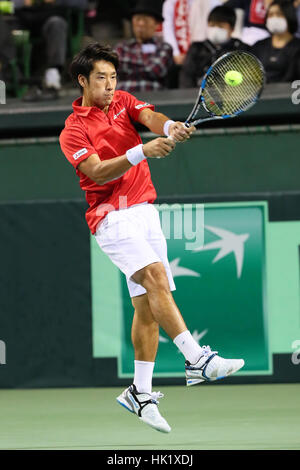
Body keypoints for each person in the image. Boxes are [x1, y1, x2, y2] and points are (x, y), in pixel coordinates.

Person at [59, 42, 244, 433]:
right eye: (101, 79)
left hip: (145, 212)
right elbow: (96, 172)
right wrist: (141, 152)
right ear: (82, 81)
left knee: (147, 307)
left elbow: (150, 115)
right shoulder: (73, 130)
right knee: (158, 277)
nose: (109, 85)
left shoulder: (124, 100)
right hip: (110, 216)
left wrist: (170, 126)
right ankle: (197, 359)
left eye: (113, 77)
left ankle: (139, 394)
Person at [180, 5, 250, 88]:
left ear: (232, 29)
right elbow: (186, 76)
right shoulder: (197, 48)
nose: (215, 30)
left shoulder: (241, 49)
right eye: (212, 25)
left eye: (221, 26)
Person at [115, 0, 173, 92]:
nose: (141, 23)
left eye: (146, 20)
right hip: (123, 100)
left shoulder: (164, 48)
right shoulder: (121, 47)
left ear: (156, 24)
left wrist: (127, 68)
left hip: (154, 98)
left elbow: (156, 70)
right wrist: (145, 65)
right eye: (138, 19)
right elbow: (113, 69)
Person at [252, 0, 300, 82]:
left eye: (279, 14)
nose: (274, 18)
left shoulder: (297, 47)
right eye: (270, 15)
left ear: (289, 15)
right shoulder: (259, 46)